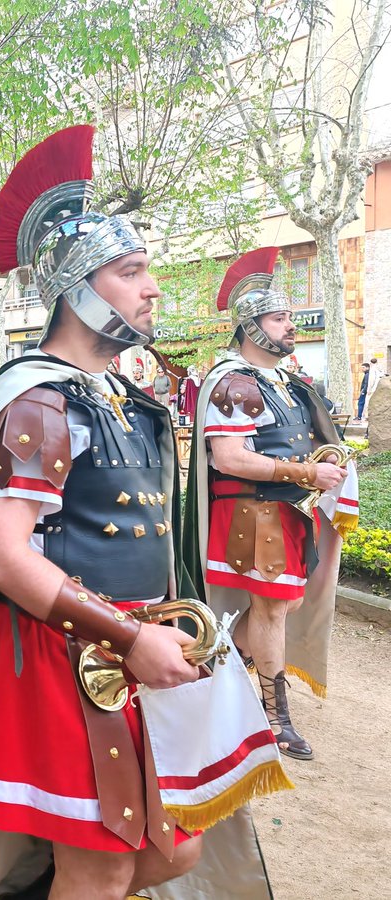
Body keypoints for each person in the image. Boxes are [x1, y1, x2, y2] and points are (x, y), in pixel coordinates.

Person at [0, 126, 271, 900]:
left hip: (141, 649)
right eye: (131, 270)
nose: (151, 286)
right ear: (79, 288)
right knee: (104, 865)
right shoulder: (40, 400)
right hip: (71, 658)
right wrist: (126, 636)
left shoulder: (120, 396)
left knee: (175, 852)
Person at [183, 247, 357, 762]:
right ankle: (273, 718)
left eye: (287, 317)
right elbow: (230, 457)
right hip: (252, 513)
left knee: (285, 604)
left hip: (287, 512)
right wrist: (308, 473)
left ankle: (216, 680)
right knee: (273, 608)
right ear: (251, 325)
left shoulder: (283, 383)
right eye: (279, 318)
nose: (290, 326)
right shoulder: (235, 382)